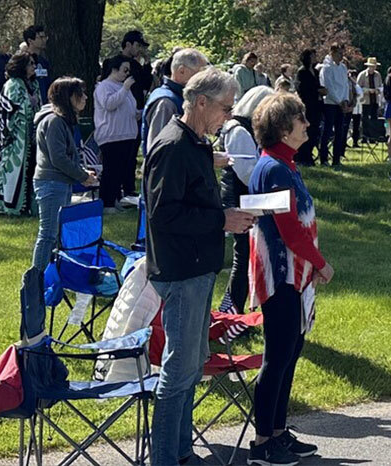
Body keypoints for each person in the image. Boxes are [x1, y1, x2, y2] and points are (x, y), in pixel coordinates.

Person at [143, 68, 255, 465]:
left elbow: (187, 189)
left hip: (197, 267)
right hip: (182, 270)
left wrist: (212, 159)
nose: (229, 116)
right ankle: (166, 458)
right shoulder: (174, 145)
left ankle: (181, 453)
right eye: (226, 108)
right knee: (178, 371)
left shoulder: (193, 142)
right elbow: (163, 214)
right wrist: (221, 220)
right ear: (201, 102)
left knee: (190, 368)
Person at [244, 92, 331, 462]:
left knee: (290, 351)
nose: (307, 124)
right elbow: (289, 229)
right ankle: (263, 443)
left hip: (292, 275)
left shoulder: (284, 164)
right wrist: (320, 262)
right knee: (277, 356)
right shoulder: (275, 168)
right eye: (301, 119)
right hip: (281, 274)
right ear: (283, 127)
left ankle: (279, 431)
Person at [217, 86, 274, 316]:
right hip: (239, 199)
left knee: (249, 256)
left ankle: (238, 311)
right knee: (242, 258)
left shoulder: (244, 129)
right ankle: (231, 313)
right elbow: (247, 173)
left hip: (247, 197)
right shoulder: (238, 130)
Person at [30, 77, 97, 271]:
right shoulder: (54, 121)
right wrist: (82, 176)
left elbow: (63, 157)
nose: (85, 97)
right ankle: (36, 279)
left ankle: (50, 275)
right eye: (80, 94)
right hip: (51, 184)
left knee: (56, 233)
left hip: (58, 183)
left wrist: (82, 172)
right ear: (68, 97)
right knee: (48, 234)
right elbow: (58, 158)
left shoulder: (62, 121)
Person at [0, 53, 40, 215]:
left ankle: (29, 205)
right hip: (13, 140)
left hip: (31, 138)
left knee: (32, 170)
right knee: (14, 173)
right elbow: (9, 114)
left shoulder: (33, 85)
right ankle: (13, 206)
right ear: (21, 67)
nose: (34, 66)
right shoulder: (12, 85)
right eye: (30, 64)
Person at [94, 55, 140, 212]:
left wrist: (138, 113)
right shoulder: (104, 86)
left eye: (129, 70)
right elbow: (109, 104)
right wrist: (125, 88)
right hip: (111, 136)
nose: (127, 74)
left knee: (121, 171)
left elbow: (128, 107)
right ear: (114, 69)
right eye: (124, 69)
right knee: (111, 171)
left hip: (127, 135)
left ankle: (115, 200)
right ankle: (106, 203)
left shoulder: (123, 87)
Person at [142, 48, 208, 156]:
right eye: (199, 74)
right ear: (181, 71)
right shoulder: (165, 103)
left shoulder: (179, 96)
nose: (203, 80)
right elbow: (159, 150)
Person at [318, 45, 353, 166]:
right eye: (338, 53)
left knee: (340, 131)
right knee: (327, 131)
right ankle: (323, 158)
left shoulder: (343, 67)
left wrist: (345, 100)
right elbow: (329, 87)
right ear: (332, 53)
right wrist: (338, 101)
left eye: (342, 53)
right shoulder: (326, 68)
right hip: (330, 103)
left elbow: (345, 85)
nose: (341, 56)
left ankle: (336, 159)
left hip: (341, 103)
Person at [103, 31, 153, 110]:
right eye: (138, 45)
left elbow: (146, 85)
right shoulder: (110, 63)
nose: (140, 49)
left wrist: (147, 63)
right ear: (128, 45)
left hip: (135, 111)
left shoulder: (136, 65)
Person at [295, 49, 326, 166]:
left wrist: (322, 90)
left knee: (314, 132)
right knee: (306, 130)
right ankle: (302, 157)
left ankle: (309, 155)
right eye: (312, 56)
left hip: (317, 105)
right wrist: (317, 90)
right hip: (307, 105)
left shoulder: (316, 72)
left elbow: (316, 85)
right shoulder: (302, 72)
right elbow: (302, 88)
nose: (314, 58)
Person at [357, 57, 383, 143]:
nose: (373, 68)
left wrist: (378, 90)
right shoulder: (362, 75)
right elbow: (357, 88)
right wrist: (368, 91)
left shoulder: (378, 75)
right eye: (371, 66)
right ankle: (364, 137)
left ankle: (372, 137)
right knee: (365, 119)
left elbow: (381, 86)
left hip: (374, 100)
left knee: (374, 119)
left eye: (374, 66)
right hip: (365, 101)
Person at [22, 26, 51, 104]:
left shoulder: (44, 62)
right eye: (41, 37)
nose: (44, 40)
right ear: (30, 41)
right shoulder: (22, 61)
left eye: (45, 37)